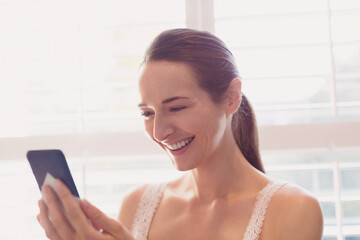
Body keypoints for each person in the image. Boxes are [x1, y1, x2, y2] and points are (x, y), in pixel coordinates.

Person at [37, 28, 323, 240]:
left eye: (176, 108)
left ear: (231, 98)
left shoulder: (292, 209)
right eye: (147, 113)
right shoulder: (137, 204)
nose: (160, 132)